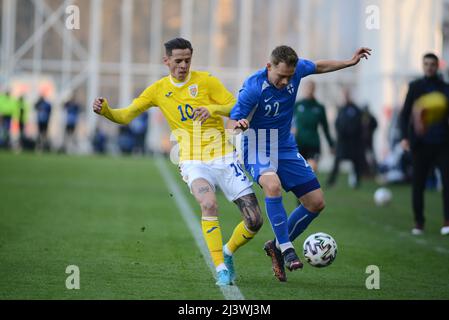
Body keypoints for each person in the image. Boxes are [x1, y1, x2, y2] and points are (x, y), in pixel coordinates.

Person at [93, 38, 263, 286]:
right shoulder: (158, 90)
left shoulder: (206, 81)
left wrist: (211, 109)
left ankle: (227, 252)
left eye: (187, 60)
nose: (183, 65)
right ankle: (220, 268)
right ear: (167, 61)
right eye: (178, 60)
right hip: (193, 160)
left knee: (255, 220)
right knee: (208, 203)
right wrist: (106, 110)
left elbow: (236, 107)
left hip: (224, 156)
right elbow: (126, 114)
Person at [227, 45, 371, 282]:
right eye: (280, 76)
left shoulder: (297, 70)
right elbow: (233, 121)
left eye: (289, 76)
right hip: (256, 146)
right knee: (272, 186)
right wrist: (239, 125)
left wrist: (349, 61)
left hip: (285, 146)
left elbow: (319, 66)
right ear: (268, 67)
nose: (285, 82)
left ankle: (275, 246)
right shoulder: (253, 87)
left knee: (316, 202)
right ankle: (286, 248)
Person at [399, 53, 449, 236]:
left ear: (437, 66)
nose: (429, 67)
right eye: (426, 64)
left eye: (432, 64)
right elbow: (404, 115)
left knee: (447, 182)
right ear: (423, 66)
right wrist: (405, 137)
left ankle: (447, 221)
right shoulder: (415, 87)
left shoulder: (445, 88)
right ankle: (419, 222)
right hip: (420, 144)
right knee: (418, 184)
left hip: (443, 143)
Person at [293, 80, 334, 172]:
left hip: (313, 144)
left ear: (314, 89)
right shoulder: (297, 105)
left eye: (311, 88)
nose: (309, 90)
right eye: (307, 88)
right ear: (303, 89)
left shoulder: (319, 107)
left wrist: (331, 144)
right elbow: (289, 123)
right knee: (299, 172)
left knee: (311, 169)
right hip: (299, 143)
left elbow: (325, 127)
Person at [327, 89, 364, 188]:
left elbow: (359, 124)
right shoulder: (341, 109)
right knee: (337, 161)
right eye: (344, 95)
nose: (346, 97)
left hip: (353, 142)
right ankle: (331, 181)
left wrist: (352, 133)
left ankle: (356, 182)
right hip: (342, 141)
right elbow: (337, 123)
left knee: (356, 162)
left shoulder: (356, 109)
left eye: (347, 95)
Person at [360, 105, 378, 176]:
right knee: (364, 156)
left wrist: (371, 131)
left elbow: (375, 124)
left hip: (369, 141)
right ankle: (365, 171)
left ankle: (374, 170)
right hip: (363, 141)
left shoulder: (371, 117)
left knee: (371, 156)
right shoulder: (361, 117)